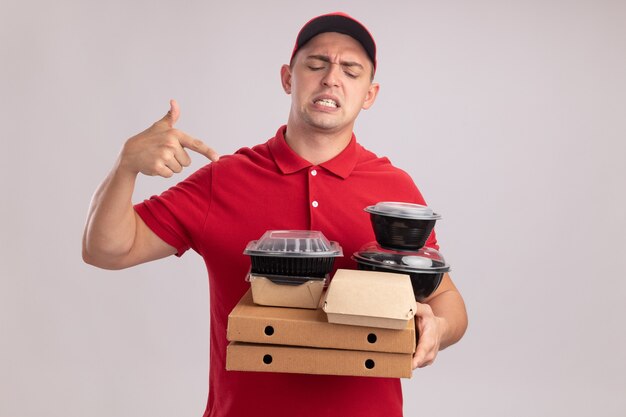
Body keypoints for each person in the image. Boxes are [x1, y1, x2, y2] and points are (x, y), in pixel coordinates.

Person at [82, 12, 468, 417]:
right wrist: (126, 166)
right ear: (288, 78)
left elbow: (446, 300)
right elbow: (106, 250)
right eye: (316, 64)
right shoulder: (225, 179)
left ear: (369, 94)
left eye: (350, 70)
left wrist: (436, 329)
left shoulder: (394, 191)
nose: (331, 78)